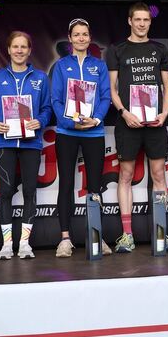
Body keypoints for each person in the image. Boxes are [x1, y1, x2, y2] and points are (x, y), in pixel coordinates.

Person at [107, 2, 168, 253]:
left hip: (155, 123)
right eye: (138, 19)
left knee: (159, 176)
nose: (142, 24)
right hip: (128, 123)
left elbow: (167, 87)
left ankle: (161, 233)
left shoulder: (159, 50)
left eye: (146, 20)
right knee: (125, 176)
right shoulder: (117, 50)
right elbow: (112, 89)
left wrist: (164, 113)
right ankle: (127, 235)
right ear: (130, 21)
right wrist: (124, 113)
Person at [0, 31, 51, 260]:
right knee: (5, 191)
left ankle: (24, 244)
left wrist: (40, 121)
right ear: (9, 49)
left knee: (30, 191)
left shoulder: (40, 78)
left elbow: (47, 108)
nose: (19, 51)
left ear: (30, 50)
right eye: (15, 46)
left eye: (24, 47)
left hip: (31, 142)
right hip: (5, 141)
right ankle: (6, 245)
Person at [51, 18, 113, 257]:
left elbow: (106, 97)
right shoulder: (60, 66)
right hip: (67, 132)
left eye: (84, 34)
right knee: (66, 183)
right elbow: (56, 100)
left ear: (90, 38)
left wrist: (96, 119)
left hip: (94, 131)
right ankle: (65, 238)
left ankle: (96, 235)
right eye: (76, 34)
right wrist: (71, 123)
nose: (81, 38)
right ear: (70, 38)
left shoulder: (99, 66)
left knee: (94, 185)